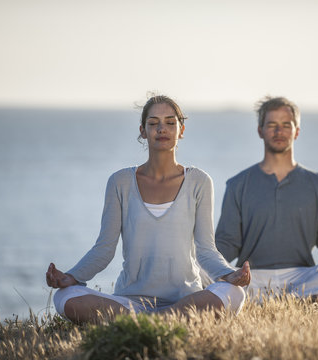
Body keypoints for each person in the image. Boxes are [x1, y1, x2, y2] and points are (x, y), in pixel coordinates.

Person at [46, 95, 250, 323]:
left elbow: (206, 250)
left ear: (181, 130)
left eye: (170, 123)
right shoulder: (120, 182)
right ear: (143, 131)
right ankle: (162, 321)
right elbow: (103, 249)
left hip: (185, 300)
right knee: (64, 297)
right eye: (154, 123)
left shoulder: (199, 181)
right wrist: (71, 277)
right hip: (130, 302)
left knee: (234, 292)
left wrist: (229, 274)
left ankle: (147, 323)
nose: (162, 128)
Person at [215, 96, 318, 301]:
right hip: (251, 279)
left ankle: (296, 301)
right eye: (272, 125)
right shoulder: (238, 184)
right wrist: (197, 263)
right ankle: (292, 302)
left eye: (286, 125)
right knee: (199, 270)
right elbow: (226, 243)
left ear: (297, 131)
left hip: (302, 279)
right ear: (260, 131)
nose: (279, 131)